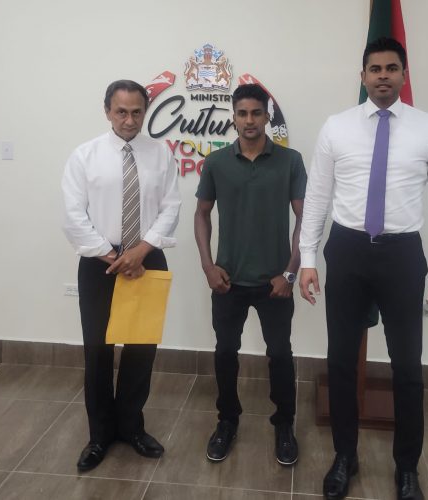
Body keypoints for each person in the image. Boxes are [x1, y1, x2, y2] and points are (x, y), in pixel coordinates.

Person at [299, 38, 428, 500]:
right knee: (341, 361)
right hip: (347, 250)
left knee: (407, 366)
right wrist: (308, 259)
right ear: (363, 75)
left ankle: (406, 467)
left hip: (401, 254)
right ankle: (344, 457)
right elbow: (317, 198)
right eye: (375, 68)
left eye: (392, 68)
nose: (383, 75)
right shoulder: (337, 128)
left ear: (404, 75)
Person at [62, 79, 181, 472]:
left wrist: (141, 250)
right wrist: (114, 255)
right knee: (97, 351)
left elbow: (171, 206)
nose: (129, 120)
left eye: (136, 112)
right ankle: (100, 435)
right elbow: (74, 216)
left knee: (141, 348)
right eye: (121, 112)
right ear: (107, 111)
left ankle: (131, 426)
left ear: (144, 112)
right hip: (100, 263)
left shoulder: (161, 154)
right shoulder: (85, 156)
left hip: (147, 258)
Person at [194, 83, 307, 466]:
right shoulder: (217, 162)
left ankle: (284, 424)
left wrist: (290, 273)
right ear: (233, 117)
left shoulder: (290, 161)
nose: (249, 121)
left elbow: (304, 219)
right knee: (226, 352)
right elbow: (201, 214)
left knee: (279, 354)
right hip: (228, 281)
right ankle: (227, 421)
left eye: (256, 113)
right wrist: (208, 267)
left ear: (266, 116)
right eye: (242, 113)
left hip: (275, 283)